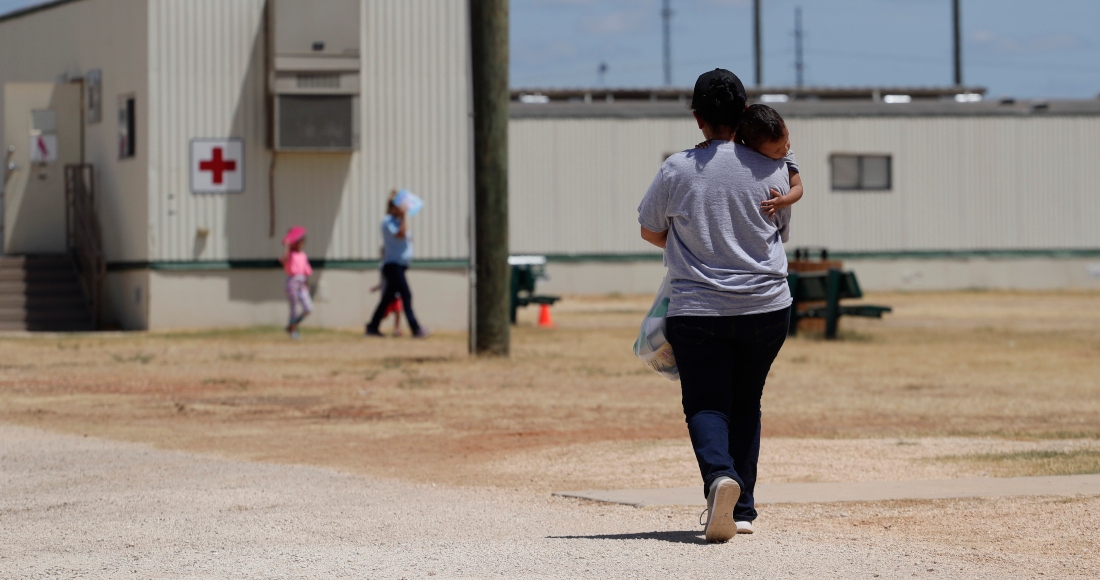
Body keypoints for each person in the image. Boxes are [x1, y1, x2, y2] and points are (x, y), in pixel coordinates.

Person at [637, 69, 793, 543]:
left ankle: (720, 478)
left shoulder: (677, 168)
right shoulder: (773, 167)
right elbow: (779, 232)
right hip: (768, 305)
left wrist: (686, 243)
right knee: (747, 401)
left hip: (698, 307)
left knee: (707, 402)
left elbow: (649, 229)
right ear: (744, 112)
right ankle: (742, 512)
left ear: (697, 117)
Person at [698, 103, 804, 220]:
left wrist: (783, 201)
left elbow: (797, 187)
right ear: (752, 149)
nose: (785, 149)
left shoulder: (787, 157)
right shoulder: (743, 154)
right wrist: (709, 145)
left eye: (786, 139)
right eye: (777, 150)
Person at [365, 190, 429, 338]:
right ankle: (415, 328)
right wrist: (403, 217)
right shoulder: (388, 221)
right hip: (393, 265)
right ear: (393, 207)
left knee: (387, 298)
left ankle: (372, 327)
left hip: (399, 265)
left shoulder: (398, 221)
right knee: (406, 295)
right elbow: (400, 235)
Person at [279, 226, 313, 340]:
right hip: (292, 282)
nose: (300, 244)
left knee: (308, 308)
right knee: (294, 308)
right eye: (298, 242)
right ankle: (293, 330)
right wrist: (287, 247)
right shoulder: (289, 254)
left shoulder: (303, 255)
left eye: (302, 242)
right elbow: (283, 260)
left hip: (302, 282)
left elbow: (306, 271)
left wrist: (307, 284)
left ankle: (292, 326)